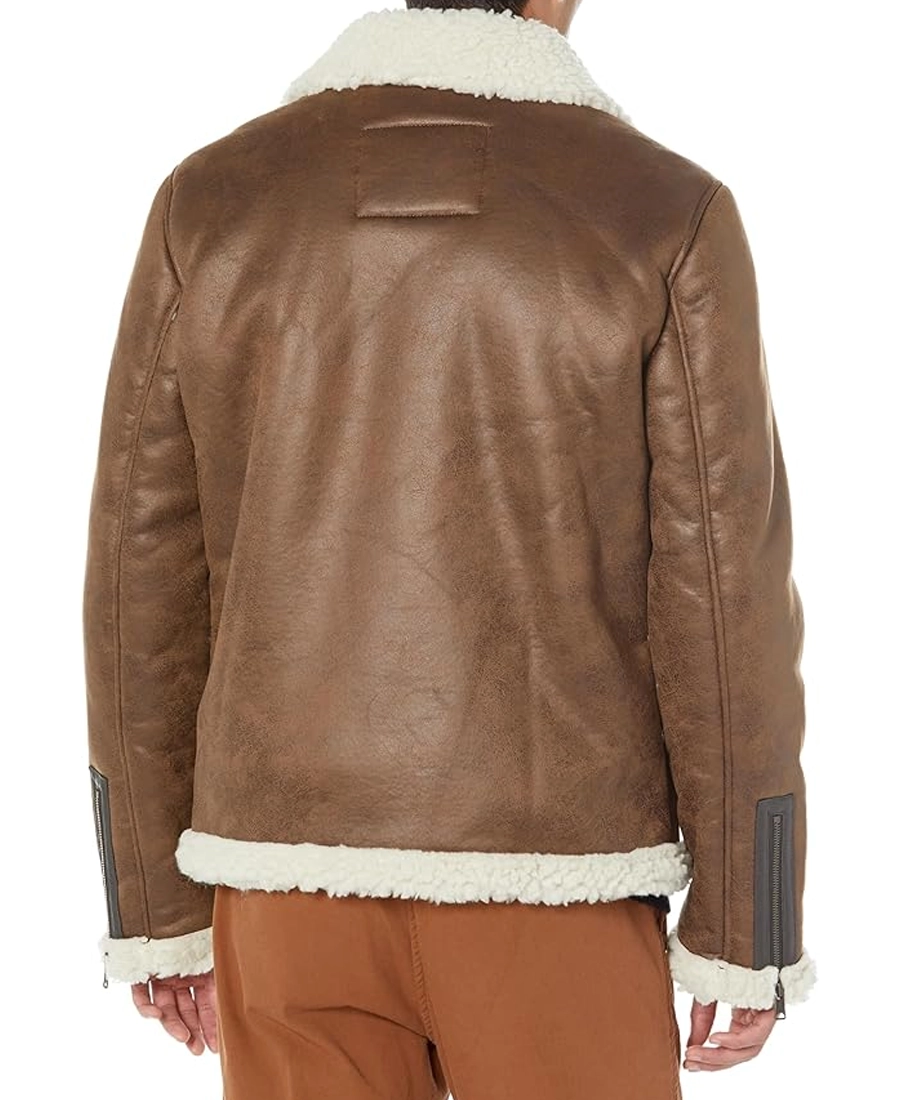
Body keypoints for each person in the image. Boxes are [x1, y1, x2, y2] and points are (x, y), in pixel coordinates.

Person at [81, 0, 816, 1095]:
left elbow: (137, 579)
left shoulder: (213, 202)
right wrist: (749, 926)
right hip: (556, 885)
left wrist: (155, 909)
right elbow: (723, 596)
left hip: (283, 891)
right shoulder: (663, 212)